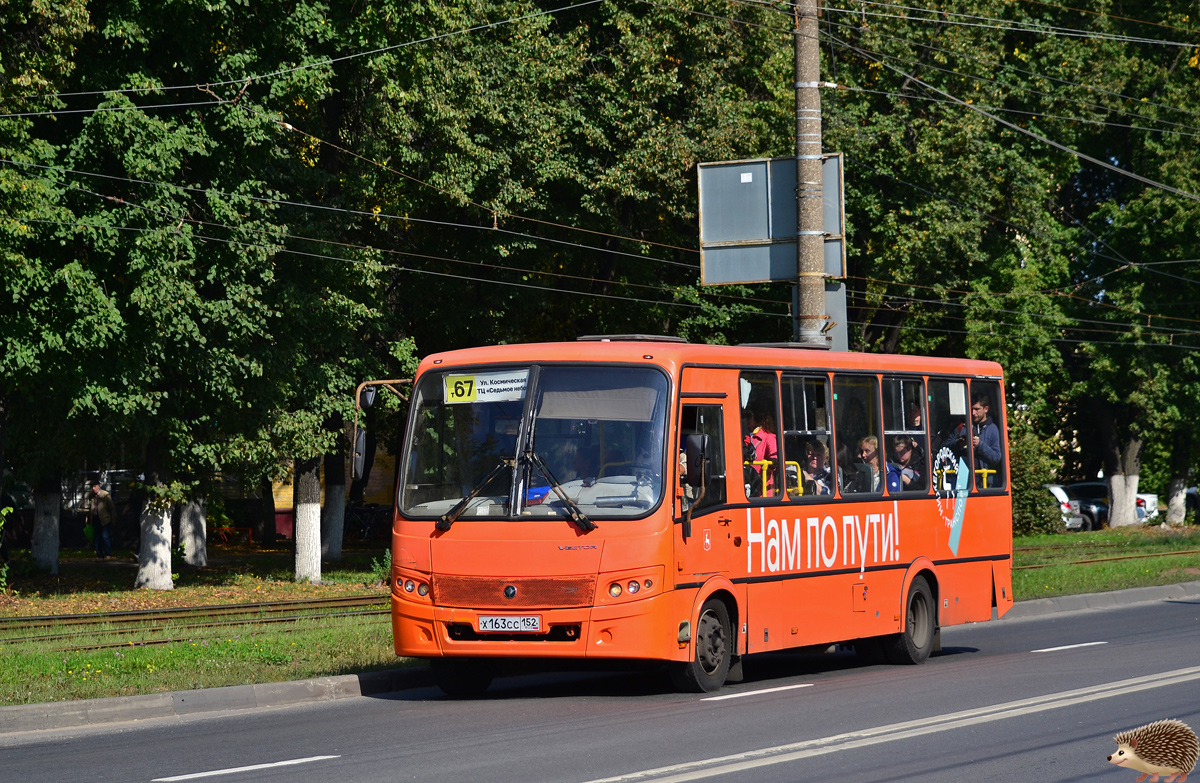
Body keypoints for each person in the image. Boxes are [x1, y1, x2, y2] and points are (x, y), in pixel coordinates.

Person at [945, 391, 1001, 483]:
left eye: (977, 409)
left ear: (986, 409)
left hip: (983, 482)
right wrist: (959, 443)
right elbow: (944, 447)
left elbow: (996, 458)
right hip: (960, 480)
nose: (973, 413)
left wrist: (980, 445)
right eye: (971, 409)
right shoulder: (962, 427)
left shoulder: (993, 429)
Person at [742, 409, 778, 497]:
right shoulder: (744, 437)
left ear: (757, 418)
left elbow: (774, 460)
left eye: (749, 416)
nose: (746, 420)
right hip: (746, 487)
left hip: (762, 491)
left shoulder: (769, 437)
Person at [89, 480, 117, 560]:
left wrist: (113, 518)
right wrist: (88, 517)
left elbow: (112, 508)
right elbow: (90, 508)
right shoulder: (91, 496)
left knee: (105, 536)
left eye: (94, 486)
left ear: (99, 486)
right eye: (92, 487)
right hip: (95, 518)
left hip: (105, 519)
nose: (93, 488)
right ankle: (99, 555)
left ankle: (108, 554)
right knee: (97, 538)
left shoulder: (105, 495)